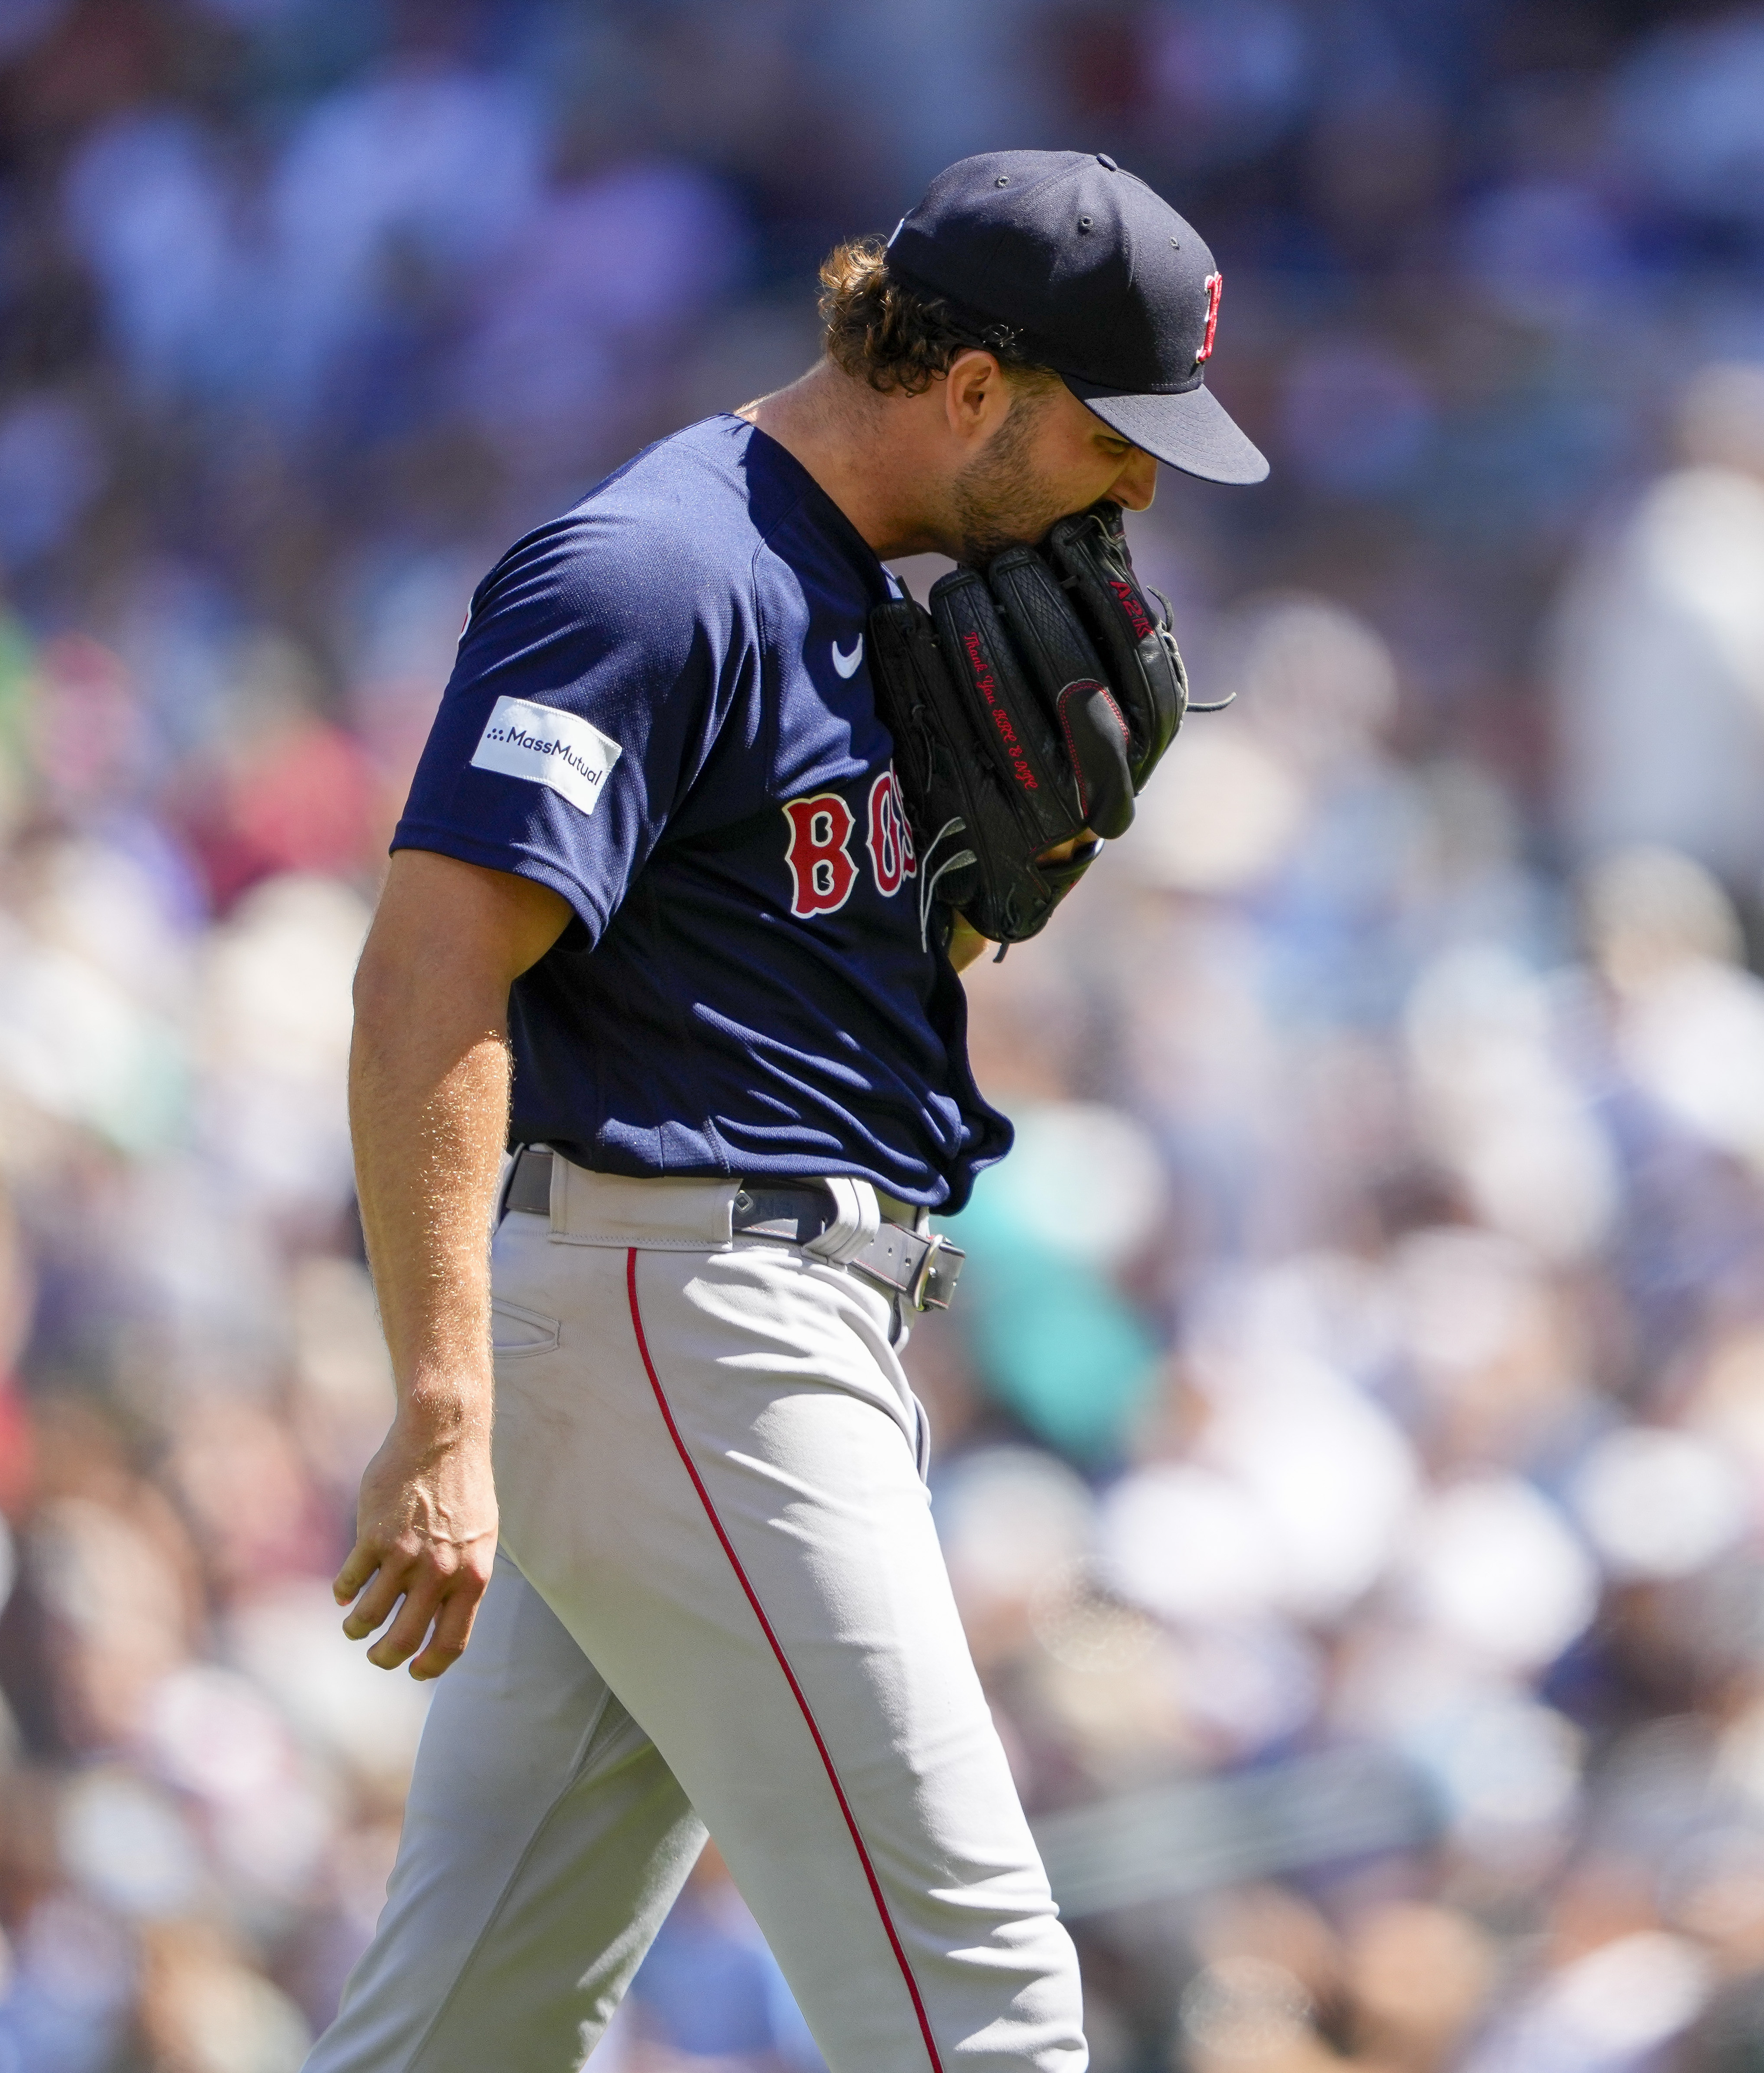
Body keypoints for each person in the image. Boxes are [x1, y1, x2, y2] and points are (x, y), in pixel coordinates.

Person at [302, 151, 1267, 2073]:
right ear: (973, 387)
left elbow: (763, 987)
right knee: (979, 2001)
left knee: (468, 2027)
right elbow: (426, 973)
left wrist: (988, 905)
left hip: (724, 1319)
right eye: (1115, 430)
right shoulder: (657, 573)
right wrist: (444, 1399)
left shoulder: (878, 591)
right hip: (689, 1317)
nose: (1143, 485)